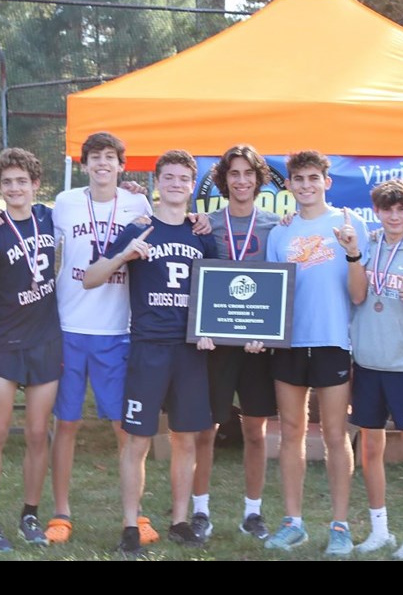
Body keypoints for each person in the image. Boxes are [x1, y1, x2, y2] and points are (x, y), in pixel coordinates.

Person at [84, 149, 219, 556]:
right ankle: (130, 525)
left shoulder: (202, 233)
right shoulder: (140, 228)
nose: (176, 184)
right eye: (170, 177)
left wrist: (210, 328)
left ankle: (179, 521)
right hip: (148, 346)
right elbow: (91, 277)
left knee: (186, 438)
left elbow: (216, 289)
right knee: (137, 440)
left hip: (191, 349)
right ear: (156, 182)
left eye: (184, 178)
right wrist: (124, 255)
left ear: (192, 184)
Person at [46, 132, 157, 545]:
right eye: (95, 157)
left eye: (110, 157)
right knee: (67, 423)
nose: (102, 164)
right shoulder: (65, 202)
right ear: (84, 164)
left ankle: (136, 514)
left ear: (122, 165)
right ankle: (61, 512)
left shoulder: (138, 204)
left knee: (125, 428)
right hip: (70, 326)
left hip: (117, 330)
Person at [263, 149, 369, 555]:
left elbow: (358, 294)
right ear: (288, 185)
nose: (306, 185)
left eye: (313, 178)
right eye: (298, 179)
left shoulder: (348, 223)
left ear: (327, 182)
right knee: (290, 433)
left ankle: (340, 525)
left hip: (332, 341)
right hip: (290, 342)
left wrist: (353, 251)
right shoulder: (280, 232)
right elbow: (273, 295)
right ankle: (293, 522)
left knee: (335, 434)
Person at [0, 147, 62, 553]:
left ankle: (30, 514)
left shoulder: (51, 218)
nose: (16, 188)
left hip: (44, 339)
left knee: (39, 434)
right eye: (7, 183)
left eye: (23, 181)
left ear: (36, 184)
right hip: (5, 342)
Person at [338, 178, 403, 561]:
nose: (394, 216)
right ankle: (380, 530)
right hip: (367, 361)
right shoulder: (367, 248)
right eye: (387, 209)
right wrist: (353, 256)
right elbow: (358, 296)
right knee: (370, 446)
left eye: (401, 209)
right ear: (377, 212)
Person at [190, 144, 280, 542]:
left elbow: (283, 285)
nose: (241, 181)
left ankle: (253, 513)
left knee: (256, 431)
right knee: (206, 428)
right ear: (224, 181)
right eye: (234, 174)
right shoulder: (205, 223)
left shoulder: (277, 225)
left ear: (258, 179)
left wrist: (271, 332)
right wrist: (200, 325)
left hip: (258, 346)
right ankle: (199, 510)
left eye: (248, 174)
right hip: (216, 344)